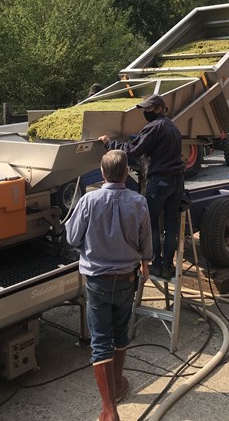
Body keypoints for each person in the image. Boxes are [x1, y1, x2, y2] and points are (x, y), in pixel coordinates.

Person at [65, 150, 152, 421]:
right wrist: (145, 263)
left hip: (97, 281)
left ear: (102, 173)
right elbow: (146, 242)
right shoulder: (139, 202)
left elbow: (71, 238)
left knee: (101, 340)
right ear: (126, 172)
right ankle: (117, 387)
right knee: (120, 333)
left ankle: (109, 409)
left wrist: (91, 246)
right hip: (127, 279)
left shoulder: (89, 201)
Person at [98, 94, 184, 281]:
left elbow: (132, 151)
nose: (145, 112)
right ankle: (168, 267)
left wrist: (109, 144)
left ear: (159, 108)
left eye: (148, 109)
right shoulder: (172, 126)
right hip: (177, 181)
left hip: (160, 181)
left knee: (150, 223)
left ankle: (155, 264)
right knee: (171, 226)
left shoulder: (154, 127)